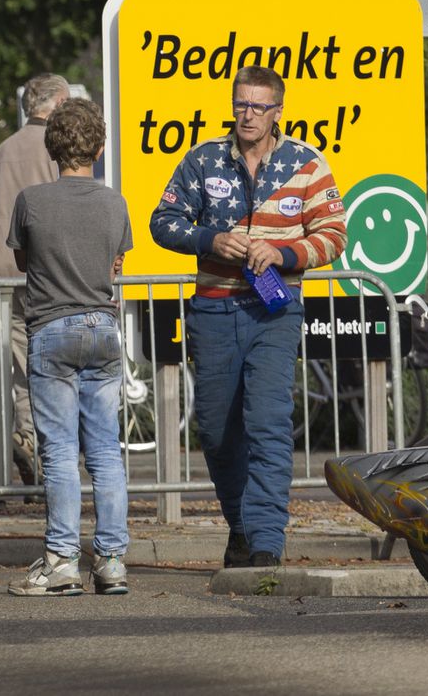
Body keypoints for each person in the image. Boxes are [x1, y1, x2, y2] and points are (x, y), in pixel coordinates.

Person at [150, 64, 346, 569]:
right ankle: (240, 524)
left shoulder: (307, 164)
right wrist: (208, 239)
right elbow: (162, 221)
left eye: (259, 106)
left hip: (274, 311)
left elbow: (334, 236)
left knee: (268, 421)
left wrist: (282, 254)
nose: (248, 115)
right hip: (213, 309)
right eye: (241, 104)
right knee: (215, 431)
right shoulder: (203, 159)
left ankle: (265, 542)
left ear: (278, 111)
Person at [6, 99, 132, 598]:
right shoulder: (114, 203)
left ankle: (61, 560)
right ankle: (112, 559)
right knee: (105, 451)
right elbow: (113, 266)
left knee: (59, 452)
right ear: (99, 148)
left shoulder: (31, 200)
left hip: (52, 328)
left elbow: (21, 261)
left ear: (51, 147)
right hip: (102, 326)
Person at [0, 72, 73, 485]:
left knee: (14, 364)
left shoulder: (2, 151)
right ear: (54, 107)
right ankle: (35, 443)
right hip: (41, 273)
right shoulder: (55, 150)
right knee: (46, 363)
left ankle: (20, 444)